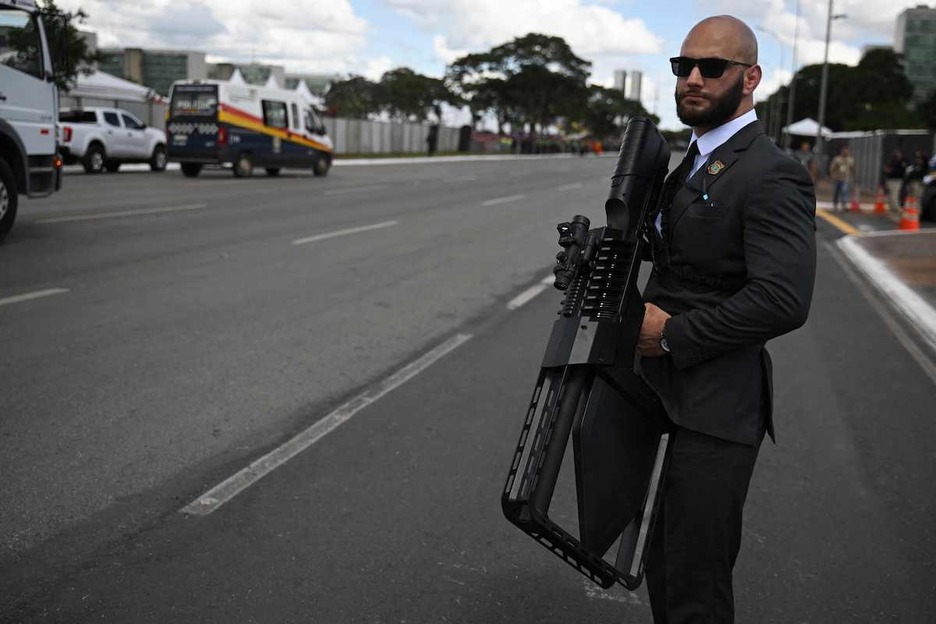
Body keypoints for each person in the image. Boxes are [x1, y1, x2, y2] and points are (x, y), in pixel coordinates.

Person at [637, 15, 817, 623]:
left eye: (711, 68)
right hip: (658, 391)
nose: (691, 78)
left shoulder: (772, 173)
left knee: (694, 580)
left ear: (750, 79)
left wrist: (673, 335)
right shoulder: (688, 161)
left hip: (718, 402)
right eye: (682, 66)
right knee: (659, 561)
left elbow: (783, 298)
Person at [829, 145, 856, 212]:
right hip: (837, 178)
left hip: (845, 178)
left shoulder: (850, 159)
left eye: (847, 151)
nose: (845, 153)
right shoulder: (837, 159)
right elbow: (832, 168)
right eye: (844, 151)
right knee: (836, 192)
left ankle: (844, 205)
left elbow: (852, 168)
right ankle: (835, 204)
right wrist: (832, 175)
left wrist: (854, 177)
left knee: (845, 191)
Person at [883, 148, 908, 215]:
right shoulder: (892, 161)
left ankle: (901, 212)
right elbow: (887, 169)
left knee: (894, 197)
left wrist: (891, 171)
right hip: (890, 180)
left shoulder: (902, 162)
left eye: (898, 153)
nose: (896, 154)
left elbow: (901, 172)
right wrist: (887, 171)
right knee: (890, 198)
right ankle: (893, 213)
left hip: (896, 181)